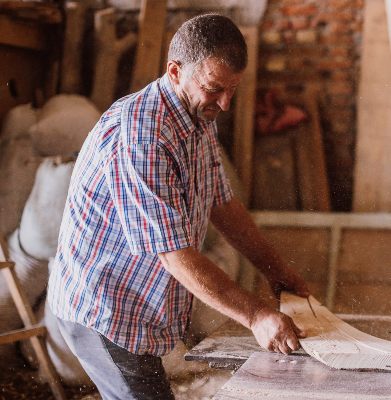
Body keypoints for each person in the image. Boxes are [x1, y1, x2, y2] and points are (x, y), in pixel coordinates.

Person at [48, 14, 310, 400]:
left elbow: (222, 205)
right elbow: (173, 254)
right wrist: (256, 316)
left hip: (138, 303)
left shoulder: (198, 115)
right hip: (105, 308)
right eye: (214, 88)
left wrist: (278, 272)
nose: (224, 102)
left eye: (232, 90)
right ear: (174, 71)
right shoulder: (143, 134)